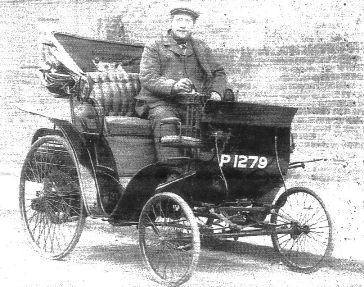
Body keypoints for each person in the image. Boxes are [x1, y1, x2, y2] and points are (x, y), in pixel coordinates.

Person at [136, 5, 227, 162]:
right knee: (166, 121)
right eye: (179, 20)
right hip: (161, 103)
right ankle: (173, 173)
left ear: (193, 26)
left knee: (217, 128)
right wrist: (173, 86)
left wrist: (217, 92)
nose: (183, 25)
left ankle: (206, 173)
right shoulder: (155, 45)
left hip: (193, 104)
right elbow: (147, 76)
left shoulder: (200, 47)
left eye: (188, 21)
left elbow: (219, 72)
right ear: (171, 22)